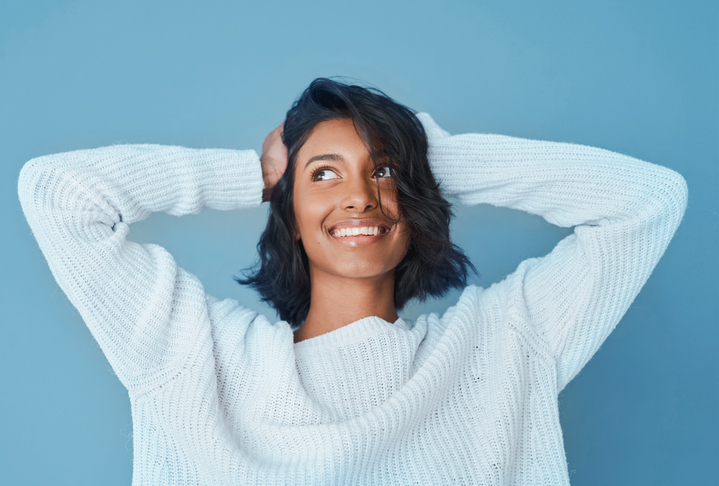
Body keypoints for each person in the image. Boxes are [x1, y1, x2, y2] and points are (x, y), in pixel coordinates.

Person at [18, 78, 688, 485]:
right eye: (323, 174)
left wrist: (427, 158)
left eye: (383, 172)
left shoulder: (501, 348)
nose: (360, 197)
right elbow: (57, 194)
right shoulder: (195, 355)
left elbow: (645, 200)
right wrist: (252, 175)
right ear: (288, 206)